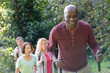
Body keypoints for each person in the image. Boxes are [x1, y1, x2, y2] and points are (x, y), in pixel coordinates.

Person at [47, 5, 103, 73]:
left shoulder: (86, 28)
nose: (72, 19)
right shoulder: (57, 31)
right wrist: (56, 61)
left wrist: (98, 53)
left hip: (84, 69)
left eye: (74, 16)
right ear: (64, 17)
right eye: (68, 16)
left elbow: (94, 45)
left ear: (78, 16)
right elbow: (49, 50)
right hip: (64, 70)